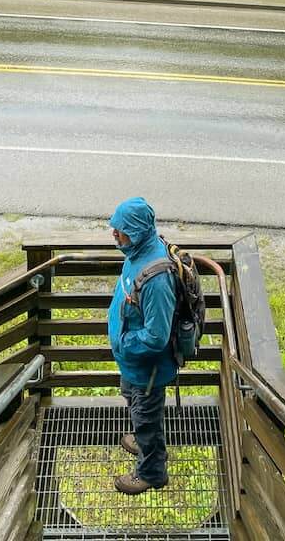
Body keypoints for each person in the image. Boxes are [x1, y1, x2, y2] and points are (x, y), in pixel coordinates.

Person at [108, 196, 177, 495]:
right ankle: (142, 437)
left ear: (136, 232)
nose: (114, 233)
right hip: (132, 363)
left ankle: (152, 472)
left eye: (120, 229)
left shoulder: (157, 281)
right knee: (134, 403)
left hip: (147, 368)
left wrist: (123, 342)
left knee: (146, 418)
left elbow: (157, 336)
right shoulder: (137, 249)